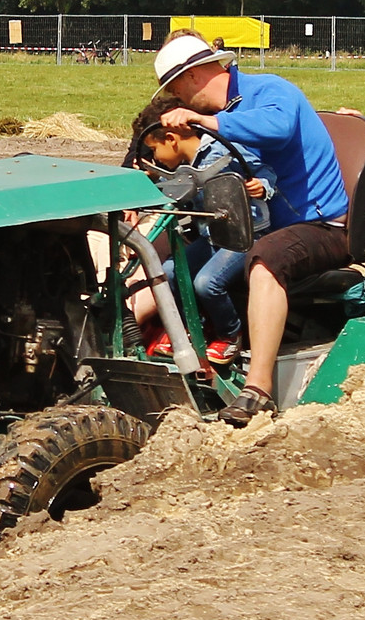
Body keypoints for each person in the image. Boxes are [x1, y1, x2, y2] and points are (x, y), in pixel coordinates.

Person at [149, 33, 351, 426]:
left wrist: (207, 121)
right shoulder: (226, 112)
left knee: (265, 258)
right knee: (178, 263)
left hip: (317, 224)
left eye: (176, 90)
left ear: (192, 77)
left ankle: (258, 390)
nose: (180, 101)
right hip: (260, 224)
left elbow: (275, 129)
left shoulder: (271, 91)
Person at [129, 96, 278, 364]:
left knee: (207, 283)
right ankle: (189, 329)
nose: (154, 158)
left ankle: (230, 335)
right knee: (169, 273)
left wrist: (262, 186)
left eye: (154, 151)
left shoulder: (222, 153)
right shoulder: (185, 165)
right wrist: (152, 177)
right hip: (212, 235)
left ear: (172, 140)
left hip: (245, 236)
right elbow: (179, 188)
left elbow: (264, 170)